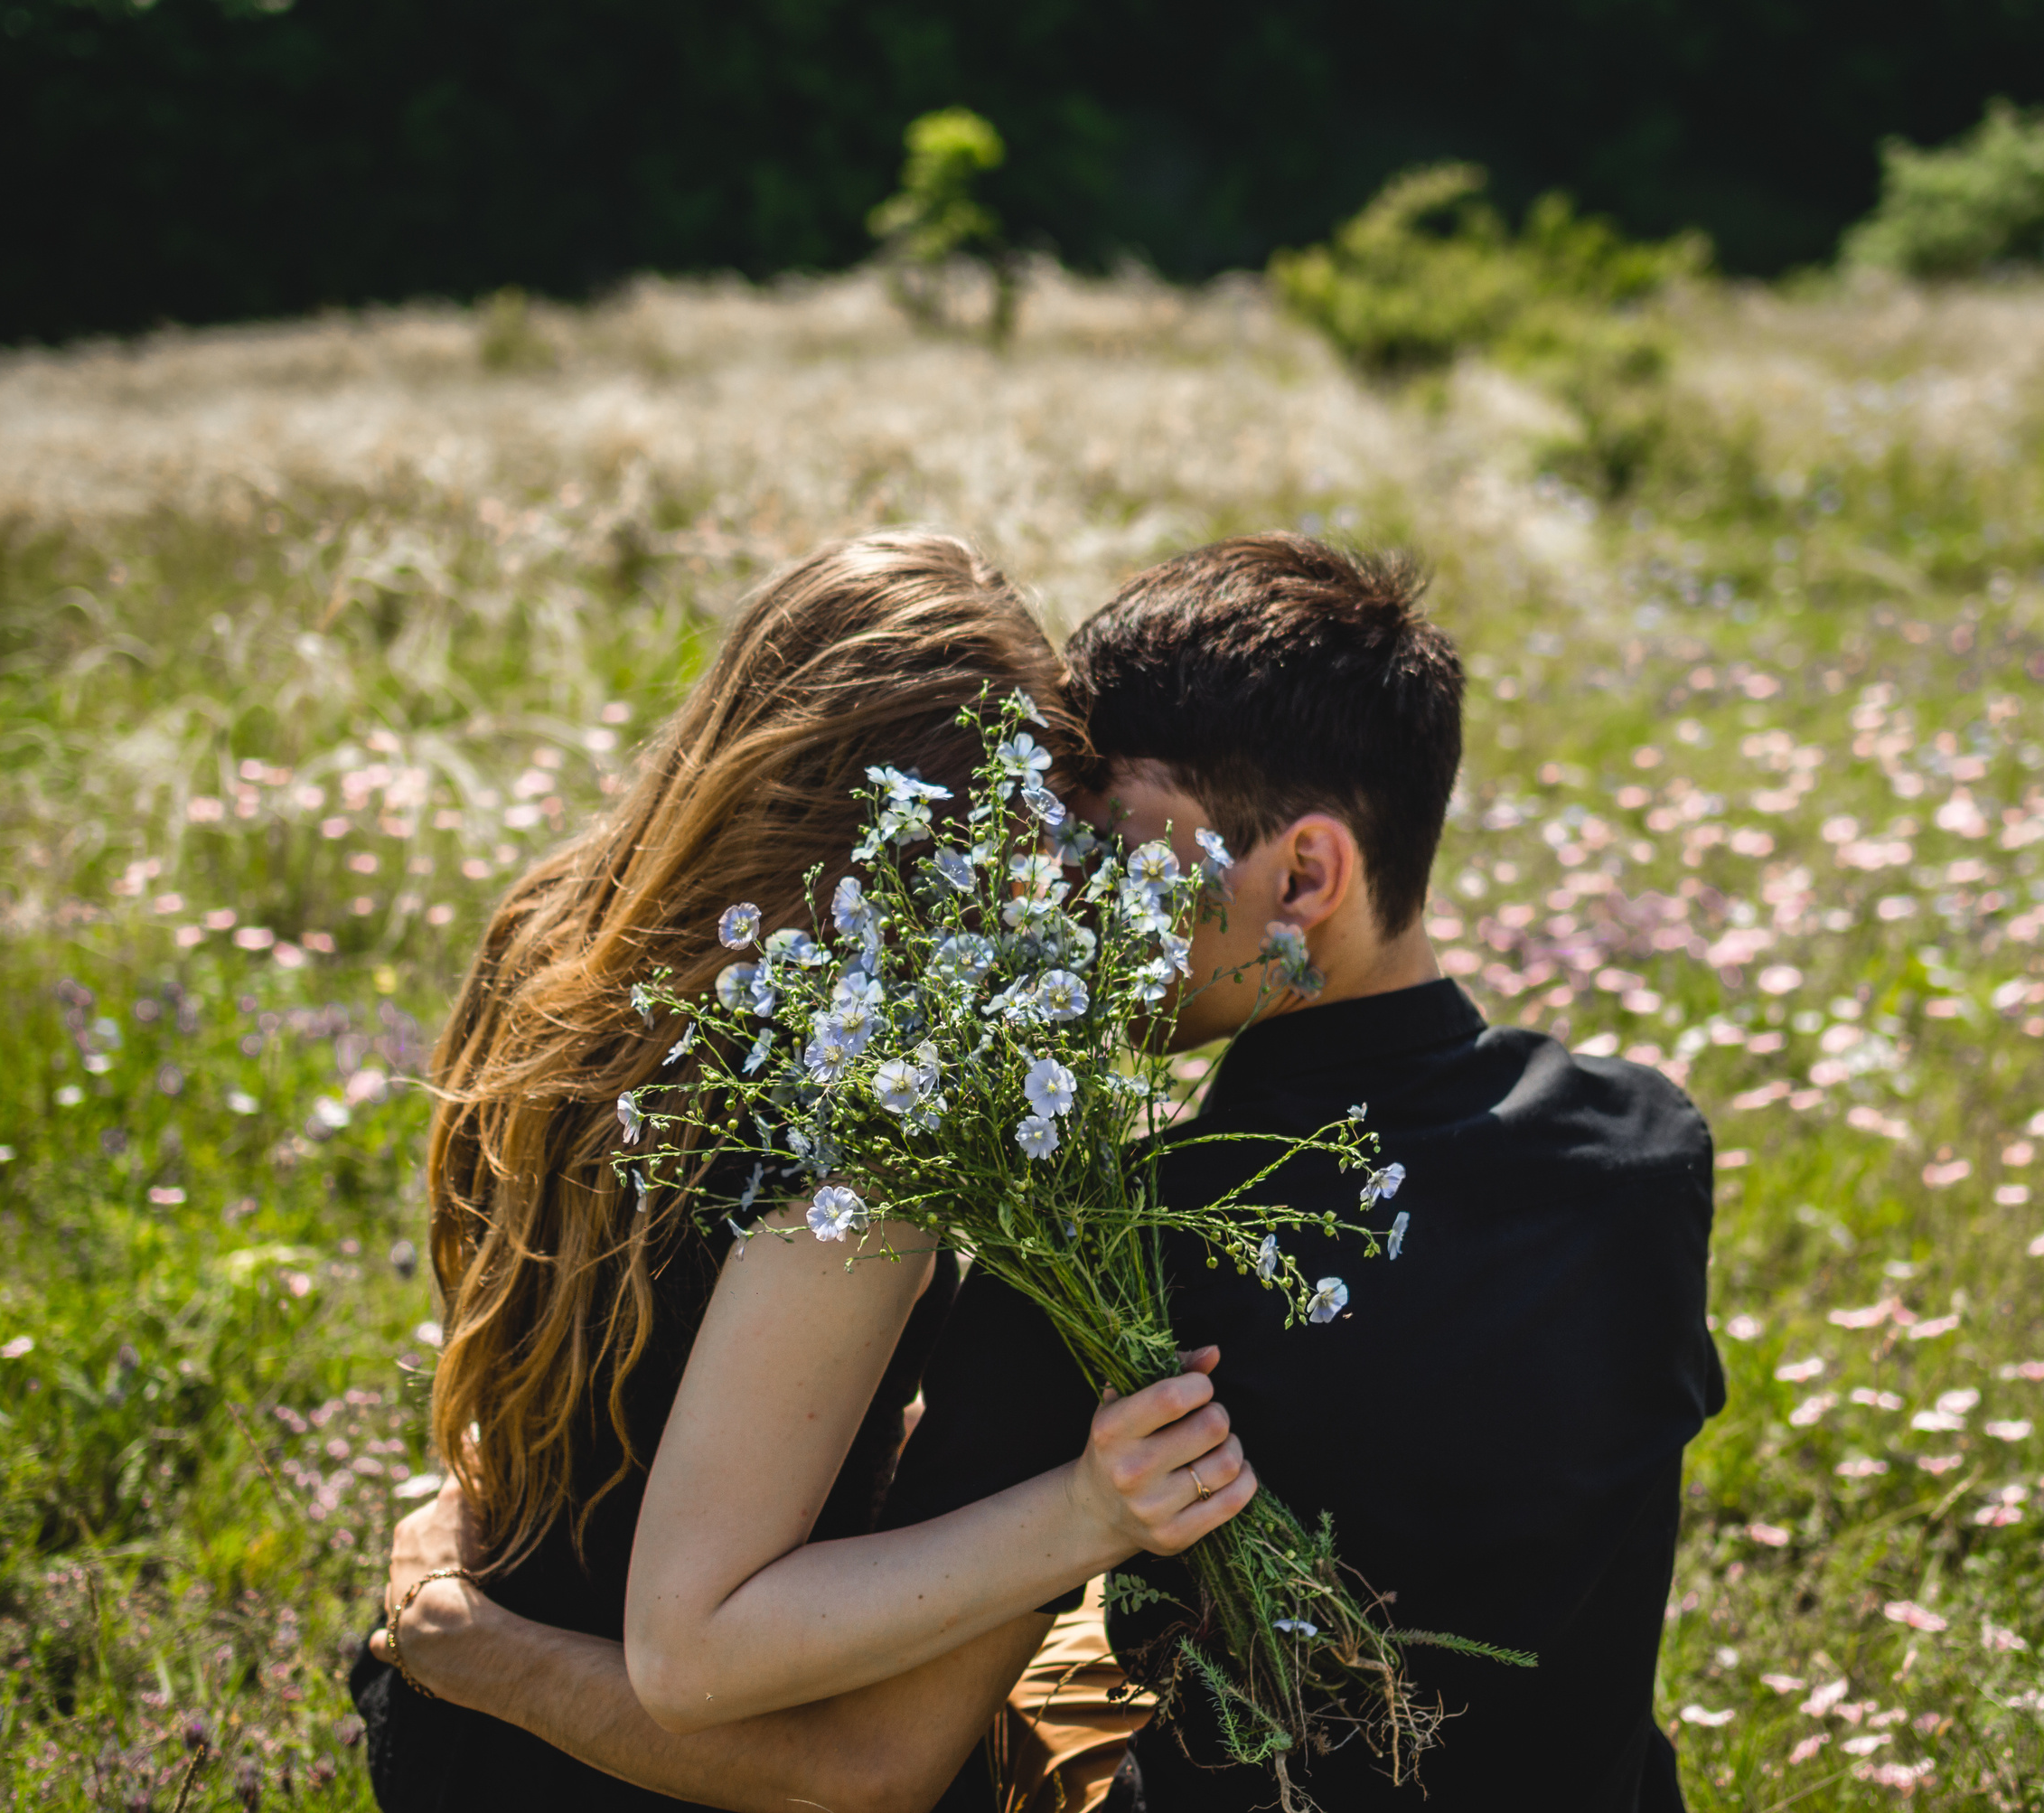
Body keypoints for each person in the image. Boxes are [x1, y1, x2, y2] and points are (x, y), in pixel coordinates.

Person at [376, 532, 1724, 1811]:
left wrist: (481, 1647)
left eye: (1115, 852)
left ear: (1306, 872)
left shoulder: (1109, 1265)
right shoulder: (1651, 1151)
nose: (1070, 905)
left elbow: (870, 1761)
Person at [352, 530, 1258, 1813]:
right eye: (1010, 839)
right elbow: (832, 1751)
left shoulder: (559, 936)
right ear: (898, 835)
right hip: (675, 1761)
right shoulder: (860, 1146)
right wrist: (1088, 1515)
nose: (1029, 896)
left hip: (462, 1734)